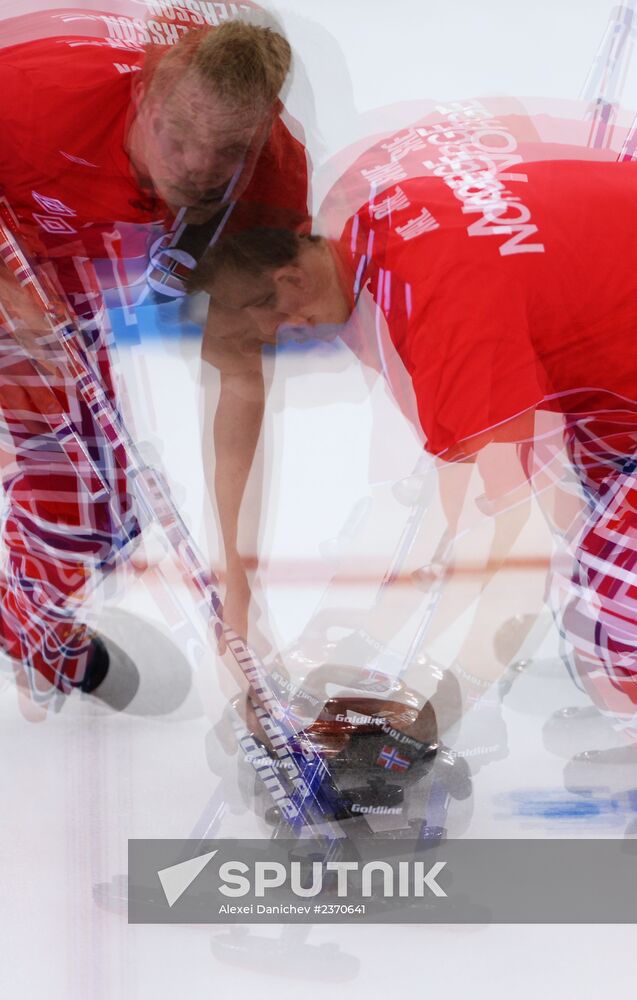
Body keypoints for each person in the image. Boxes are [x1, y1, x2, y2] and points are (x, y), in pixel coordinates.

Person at [191, 98, 637, 753]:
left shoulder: (438, 315)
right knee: (596, 538)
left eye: (269, 327)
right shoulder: (376, 216)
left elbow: (512, 538)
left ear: (286, 282)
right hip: (610, 356)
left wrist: (431, 706)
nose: (280, 341)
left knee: (608, 579)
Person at [0, 8, 309, 707]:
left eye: (225, 152)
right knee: (73, 495)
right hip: (16, 253)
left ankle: (25, 620)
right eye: (176, 139)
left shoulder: (273, 182)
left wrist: (238, 585)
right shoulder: (40, 88)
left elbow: (237, 371)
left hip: (57, 267)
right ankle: (33, 632)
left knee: (103, 518)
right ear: (144, 96)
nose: (197, 168)